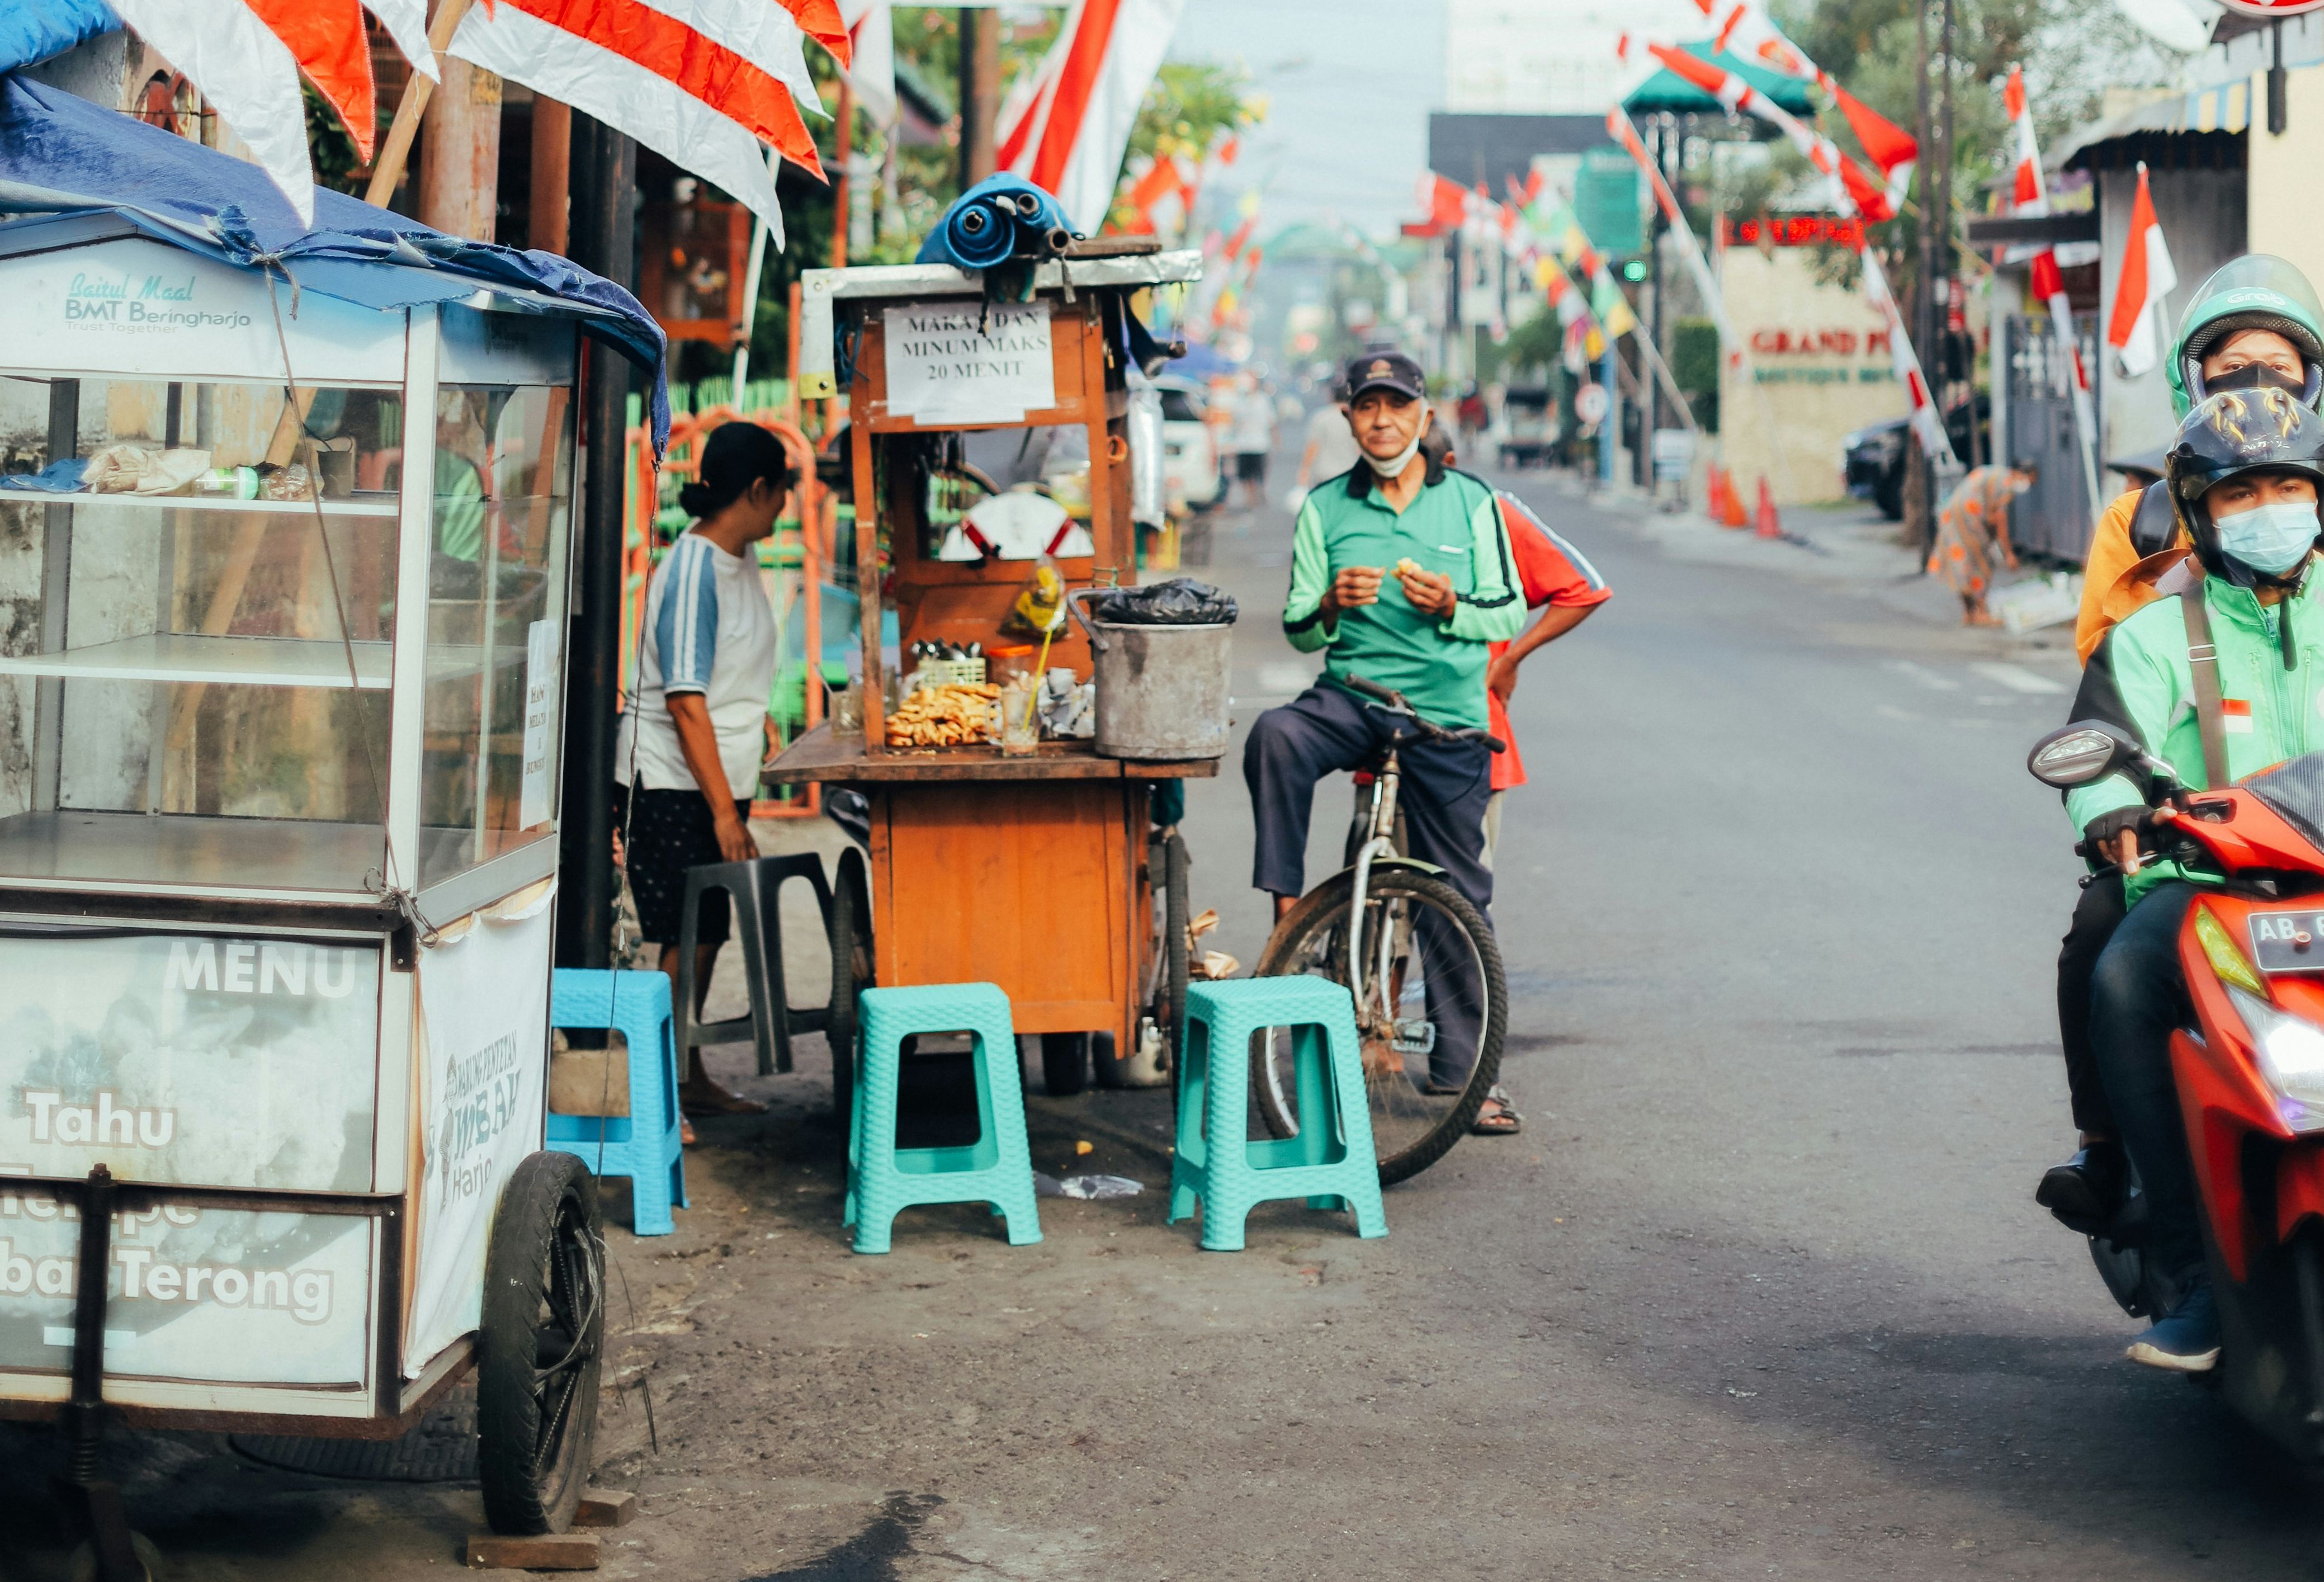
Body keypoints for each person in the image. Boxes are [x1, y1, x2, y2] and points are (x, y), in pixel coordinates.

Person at [2044, 255, 2324, 1224]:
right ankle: (2124, 1167)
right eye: (2233, 364)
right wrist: (2122, 802)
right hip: (2199, 850)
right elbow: (2111, 682)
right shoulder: (2145, 531)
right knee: (2105, 947)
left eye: (2279, 365)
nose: (2257, 381)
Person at [2066, 386, 2324, 1370]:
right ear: (2201, 510)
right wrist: (2113, 815)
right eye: (2242, 490)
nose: (2271, 506)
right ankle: (2189, 1273)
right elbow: (2096, 757)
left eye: (2290, 484)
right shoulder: (2150, 635)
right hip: (2209, 885)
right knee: (2123, 981)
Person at [1244, 350, 1525, 1128]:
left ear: (1423, 419)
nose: (1382, 420)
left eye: (1397, 406)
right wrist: (1332, 600)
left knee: (1459, 895)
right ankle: (1288, 912)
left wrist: (1453, 606)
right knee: (1275, 735)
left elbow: (1506, 611)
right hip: (1355, 699)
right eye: (1368, 407)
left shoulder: (1472, 503)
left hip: (1444, 715)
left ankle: (1467, 1077)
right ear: (1349, 419)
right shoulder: (1326, 508)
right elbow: (1301, 626)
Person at [615, 422, 796, 1139]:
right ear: (756, 490)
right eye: (780, 491)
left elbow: (725, 677)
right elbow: (685, 699)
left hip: (716, 775)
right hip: (673, 781)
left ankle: (686, 1076)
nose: (784, 506)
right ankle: (656, 1092)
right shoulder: (694, 569)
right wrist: (725, 813)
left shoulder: (737, 557)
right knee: (679, 937)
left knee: (708, 932)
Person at [1926, 466, 2033, 626]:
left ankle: (1969, 612)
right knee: (1983, 563)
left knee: (1962, 564)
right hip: (1970, 518)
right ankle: (1980, 612)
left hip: (1953, 515)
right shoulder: (2006, 482)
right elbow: (1999, 520)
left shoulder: (1994, 473)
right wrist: (2009, 554)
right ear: (2021, 473)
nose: (2029, 485)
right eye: (2031, 480)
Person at [1295, 388, 1362, 500]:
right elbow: (1360, 450)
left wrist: (1305, 470)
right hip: (1349, 473)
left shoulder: (1321, 417)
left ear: (1332, 396)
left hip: (1324, 474)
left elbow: (1313, 447)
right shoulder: (1356, 418)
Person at [1229, 373, 1277, 507]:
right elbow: (1234, 424)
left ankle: (1259, 493)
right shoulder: (1238, 401)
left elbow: (1271, 421)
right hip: (1243, 445)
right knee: (1245, 475)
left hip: (1260, 444)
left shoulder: (1264, 400)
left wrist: (1276, 439)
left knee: (1259, 473)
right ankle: (1250, 497)